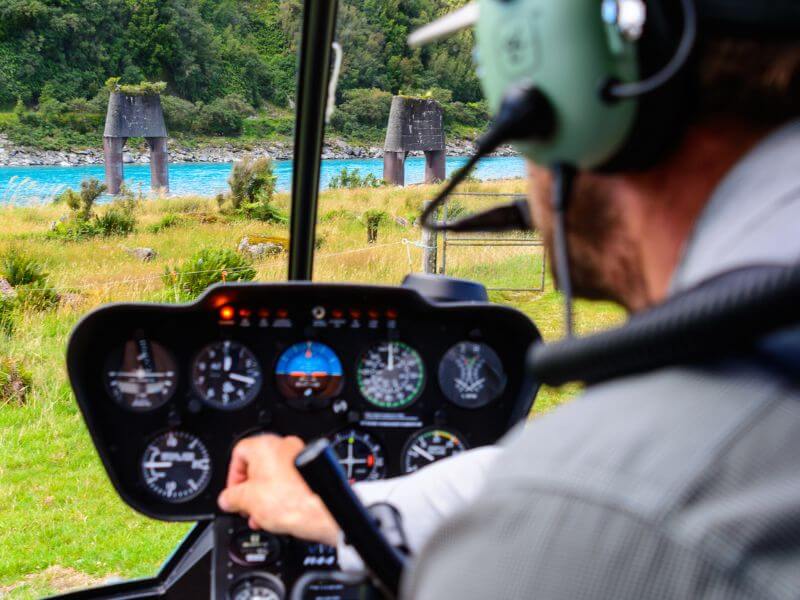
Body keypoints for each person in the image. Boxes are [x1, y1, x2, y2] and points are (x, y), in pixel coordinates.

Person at [218, 17, 800, 600]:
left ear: (566, 97)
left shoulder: (616, 519)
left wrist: (535, 502)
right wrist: (347, 507)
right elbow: (529, 487)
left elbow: (577, 506)